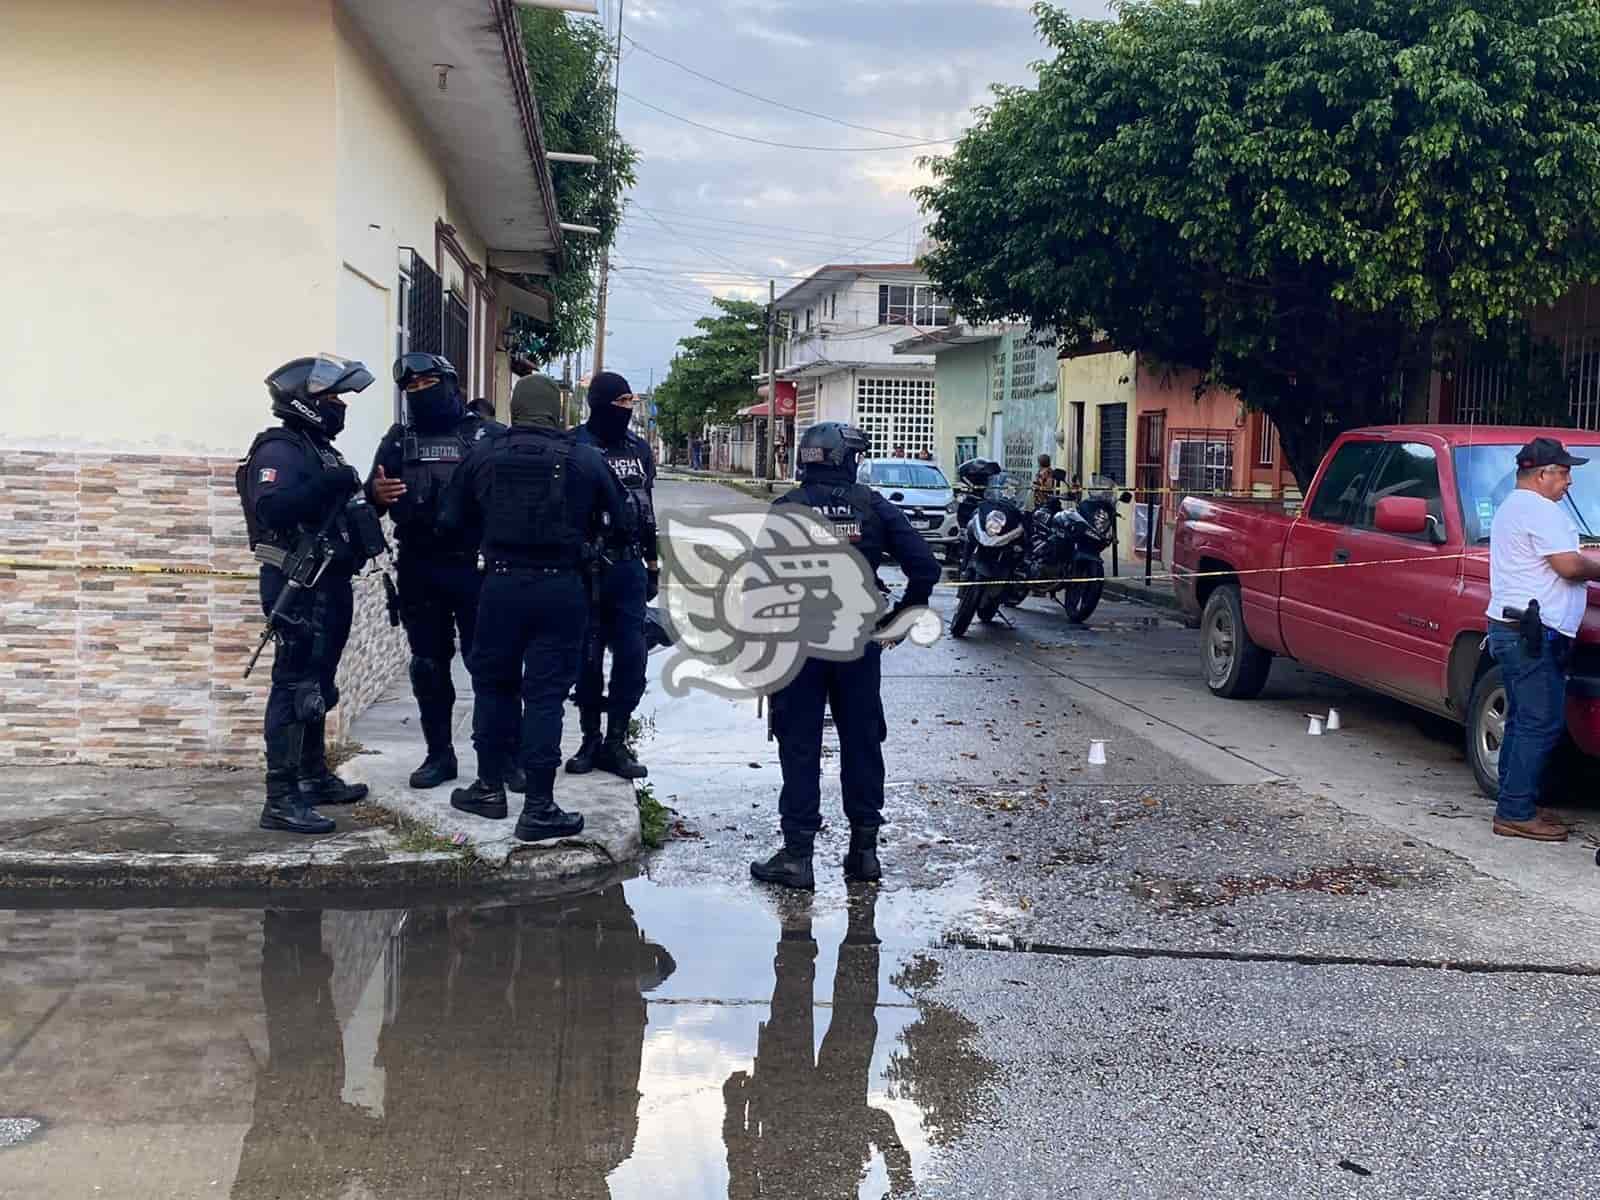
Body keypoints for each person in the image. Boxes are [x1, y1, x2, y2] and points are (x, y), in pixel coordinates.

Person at [439, 373, 632, 842]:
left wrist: (486, 542)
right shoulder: (584, 458)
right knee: (544, 696)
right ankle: (539, 806)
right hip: (562, 589)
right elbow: (623, 523)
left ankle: (489, 787)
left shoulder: (483, 454)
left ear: (516, 408)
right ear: (557, 410)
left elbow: (449, 521)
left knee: (493, 687)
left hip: (500, 585)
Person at [751, 421, 941, 890]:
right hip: (857, 641)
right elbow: (925, 566)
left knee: (800, 745)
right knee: (860, 740)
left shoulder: (787, 508)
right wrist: (902, 616)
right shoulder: (871, 505)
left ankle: (798, 856)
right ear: (845, 459)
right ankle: (864, 853)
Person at [238, 355, 384, 834]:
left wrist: (372, 498)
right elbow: (274, 509)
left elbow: (335, 510)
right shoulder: (280, 450)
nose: (340, 406)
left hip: (328, 585)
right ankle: (280, 799)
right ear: (305, 401)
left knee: (317, 686)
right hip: (297, 587)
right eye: (331, 398)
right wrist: (327, 485)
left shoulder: (317, 448)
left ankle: (313, 775)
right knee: (293, 687)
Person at [365, 354, 503, 791]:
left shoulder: (485, 436)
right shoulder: (398, 438)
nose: (419, 392)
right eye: (411, 388)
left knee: (488, 665)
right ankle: (438, 754)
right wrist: (377, 494)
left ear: (450, 384)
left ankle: (499, 758)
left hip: (475, 567)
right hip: (419, 565)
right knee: (427, 666)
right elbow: (372, 493)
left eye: (428, 382)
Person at [1485, 436, 1600, 841]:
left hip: (1515, 629)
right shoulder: (1537, 509)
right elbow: (1568, 566)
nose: (1569, 481)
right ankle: (1515, 811)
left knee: (1522, 719)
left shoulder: (1514, 507)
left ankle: (1517, 801)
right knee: (1541, 721)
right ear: (1541, 474)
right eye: (1564, 472)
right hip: (1531, 633)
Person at [568, 371, 658, 780]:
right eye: (619, 403)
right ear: (600, 403)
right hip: (585, 568)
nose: (626, 410)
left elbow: (647, 510)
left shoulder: (639, 449)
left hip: (628, 566)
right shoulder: (575, 445)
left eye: (630, 404)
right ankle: (589, 738)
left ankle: (616, 739)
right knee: (586, 653)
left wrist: (654, 565)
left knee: (632, 655)